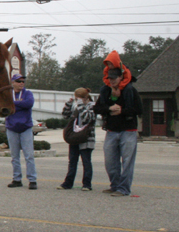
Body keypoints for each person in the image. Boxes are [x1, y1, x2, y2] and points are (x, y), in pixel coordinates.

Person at [94, 51, 143, 197]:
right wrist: (109, 108)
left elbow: (139, 109)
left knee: (127, 161)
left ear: (121, 76)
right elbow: (97, 108)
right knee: (110, 161)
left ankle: (124, 189)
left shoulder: (130, 90)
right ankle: (114, 185)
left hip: (128, 130)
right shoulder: (105, 91)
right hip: (111, 130)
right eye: (110, 78)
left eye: (114, 78)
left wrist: (122, 111)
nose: (112, 80)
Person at [58, 88, 95, 191]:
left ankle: (87, 184)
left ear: (85, 97)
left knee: (86, 161)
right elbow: (65, 116)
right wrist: (69, 104)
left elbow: (87, 118)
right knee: (72, 161)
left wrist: (81, 106)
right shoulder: (76, 106)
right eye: (76, 98)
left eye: (79, 98)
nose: (77, 100)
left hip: (86, 138)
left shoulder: (92, 105)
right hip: (74, 137)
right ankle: (68, 183)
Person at [5, 74, 38, 190]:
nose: (21, 83)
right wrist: (19, 104)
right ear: (13, 82)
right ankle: (17, 179)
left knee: (29, 156)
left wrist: (13, 103)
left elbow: (29, 104)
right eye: (19, 81)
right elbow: (5, 107)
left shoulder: (28, 93)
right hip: (11, 128)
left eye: (23, 81)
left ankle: (32, 180)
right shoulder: (8, 94)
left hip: (26, 128)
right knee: (15, 156)